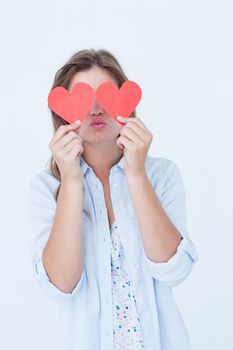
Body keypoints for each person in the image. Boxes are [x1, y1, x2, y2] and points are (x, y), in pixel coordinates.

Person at [27, 48, 199, 350]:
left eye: (104, 95)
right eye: (82, 97)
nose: (95, 109)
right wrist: (70, 179)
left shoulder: (162, 175)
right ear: (63, 111)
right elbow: (62, 285)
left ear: (126, 102)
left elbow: (174, 270)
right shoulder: (46, 188)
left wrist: (136, 175)